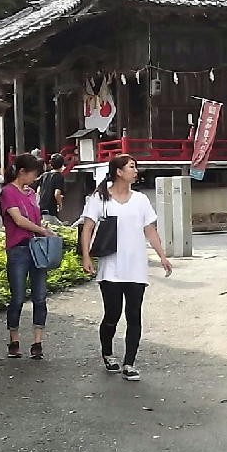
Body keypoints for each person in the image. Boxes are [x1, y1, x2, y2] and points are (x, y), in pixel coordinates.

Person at [80, 154, 172, 381]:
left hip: (136, 267)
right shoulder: (100, 198)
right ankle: (108, 353)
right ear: (119, 172)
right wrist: (86, 257)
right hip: (111, 266)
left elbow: (149, 229)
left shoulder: (140, 200)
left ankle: (129, 363)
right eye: (132, 167)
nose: (135, 171)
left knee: (134, 314)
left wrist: (162, 256)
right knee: (112, 313)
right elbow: (87, 228)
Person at [0, 153, 54, 360]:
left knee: (40, 296)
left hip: (36, 247)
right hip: (18, 248)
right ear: (21, 172)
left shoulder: (32, 193)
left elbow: (34, 220)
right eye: (33, 174)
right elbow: (18, 220)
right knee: (18, 297)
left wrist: (42, 229)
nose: (34, 178)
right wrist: (42, 231)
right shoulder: (7, 192)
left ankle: (37, 342)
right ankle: (14, 339)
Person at [38, 153, 67, 224]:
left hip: (40, 210)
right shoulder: (59, 176)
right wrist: (60, 204)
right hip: (50, 210)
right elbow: (57, 194)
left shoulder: (44, 175)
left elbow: (38, 191)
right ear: (62, 165)